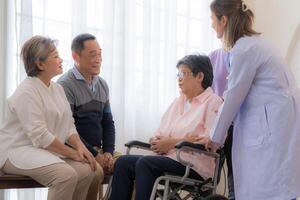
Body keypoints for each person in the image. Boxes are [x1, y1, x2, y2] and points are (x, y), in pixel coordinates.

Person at [198, 0, 300, 199]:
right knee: (274, 185)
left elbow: (234, 96)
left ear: (224, 20)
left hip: (271, 127)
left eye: (212, 19)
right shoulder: (254, 44)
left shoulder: (244, 49)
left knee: (269, 187)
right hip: (277, 122)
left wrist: (215, 137)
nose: (211, 24)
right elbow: (235, 91)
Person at [109, 54, 223, 200]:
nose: (179, 78)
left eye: (183, 73)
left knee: (146, 163)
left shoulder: (213, 102)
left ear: (199, 76)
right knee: (123, 162)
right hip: (167, 158)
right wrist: (158, 141)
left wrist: (171, 142)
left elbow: (211, 140)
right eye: (178, 74)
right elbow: (159, 132)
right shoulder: (178, 102)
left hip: (194, 165)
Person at [0, 36, 96, 200]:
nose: (61, 60)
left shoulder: (57, 88)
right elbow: (40, 135)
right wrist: (72, 153)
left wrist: (80, 147)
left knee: (86, 171)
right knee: (65, 175)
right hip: (17, 151)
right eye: (55, 56)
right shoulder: (26, 92)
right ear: (40, 64)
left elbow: (68, 125)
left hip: (42, 150)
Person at [57, 33, 119, 200]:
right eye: (93, 55)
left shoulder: (102, 84)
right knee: (94, 172)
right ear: (75, 56)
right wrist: (93, 154)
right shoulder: (65, 85)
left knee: (131, 166)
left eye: (100, 54)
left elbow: (108, 123)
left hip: (98, 150)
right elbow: (66, 129)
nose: (98, 59)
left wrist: (108, 152)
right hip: (75, 149)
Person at [209, 49, 235, 200]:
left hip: (236, 125)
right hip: (216, 122)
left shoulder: (245, 53)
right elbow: (206, 90)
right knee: (209, 179)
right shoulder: (214, 57)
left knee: (234, 176)